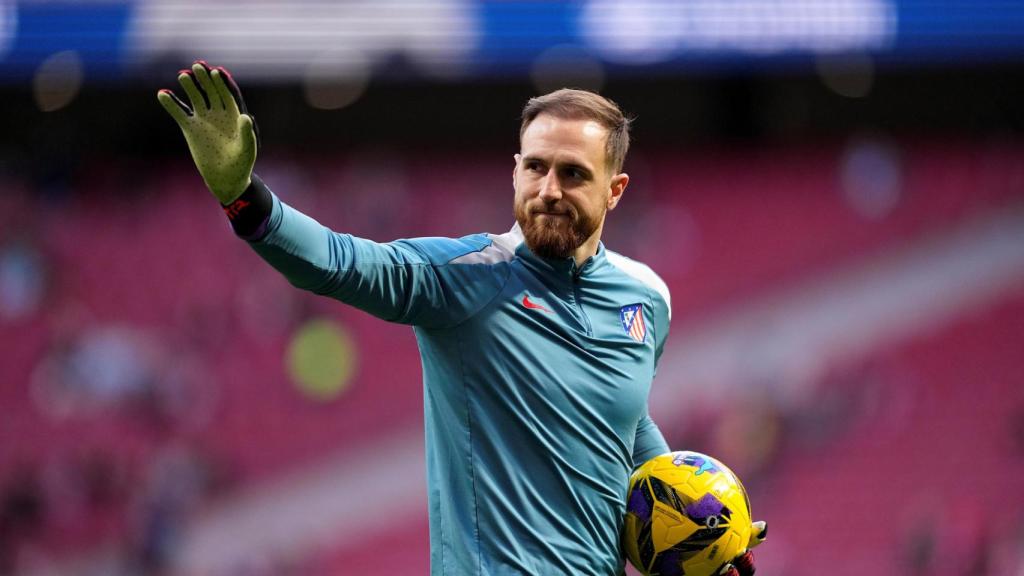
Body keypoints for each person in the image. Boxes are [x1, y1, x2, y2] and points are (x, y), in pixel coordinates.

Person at [157, 61, 765, 575]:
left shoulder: (645, 299)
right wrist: (243, 195)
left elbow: (623, 426)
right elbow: (336, 262)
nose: (548, 188)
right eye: (536, 167)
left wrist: (711, 522)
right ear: (515, 171)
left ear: (616, 190)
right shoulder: (464, 276)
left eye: (574, 173)